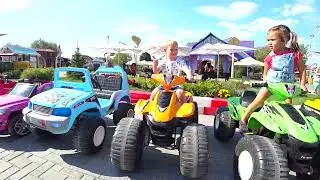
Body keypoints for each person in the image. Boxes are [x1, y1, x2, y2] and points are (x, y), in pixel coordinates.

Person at [239, 24, 308, 132]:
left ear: (284, 40)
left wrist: (303, 84)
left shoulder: (294, 54)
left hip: (287, 87)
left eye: (272, 39)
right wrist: (265, 80)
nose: (269, 43)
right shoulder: (271, 56)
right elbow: (266, 70)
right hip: (271, 84)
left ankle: (286, 127)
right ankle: (244, 119)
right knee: (259, 101)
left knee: (287, 107)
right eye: (268, 40)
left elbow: (302, 69)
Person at [150, 40, 193, 105]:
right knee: (154, 93)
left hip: (176, 85)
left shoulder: (179, 62)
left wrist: (189, 75)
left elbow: (186, 69)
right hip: (164, 85)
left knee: (180, 93)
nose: (174, 52)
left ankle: (183, 108)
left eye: (176, 50)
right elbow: (156, 72)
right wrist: (155, 65)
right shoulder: (163, 62)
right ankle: (152, 110)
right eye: (171, 50)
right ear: (165, 50)